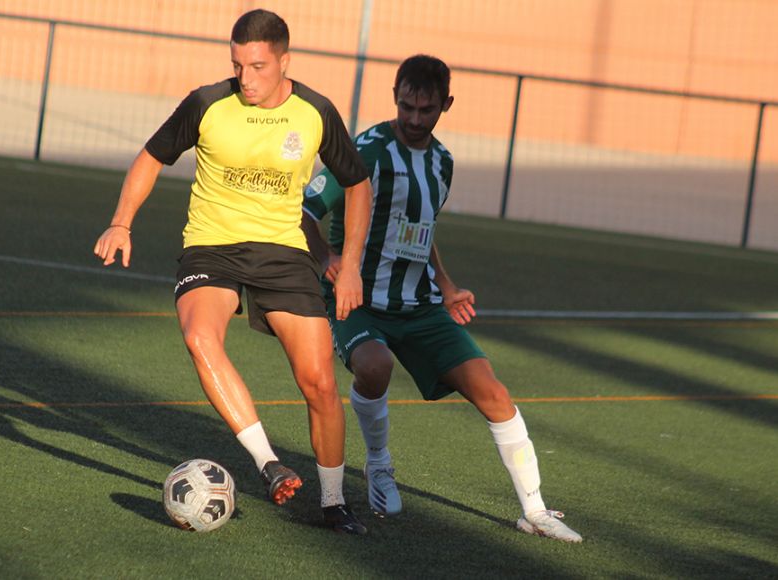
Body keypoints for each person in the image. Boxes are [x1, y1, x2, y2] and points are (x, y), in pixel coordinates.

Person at [93, 9, 372, 535]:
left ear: (284, 61)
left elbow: (357, 184)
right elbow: (152, 157)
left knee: (319, 383)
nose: (245, 78)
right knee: (200, 338)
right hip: (211, 246)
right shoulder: (207, 103)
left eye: (258, 66)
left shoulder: (315, 111)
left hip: (283, 252)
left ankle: (334, 503)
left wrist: (349, 263)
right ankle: (268, 463)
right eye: (238, 64)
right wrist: (121, 223)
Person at [301, 54, 582, 542]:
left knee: (493, 392)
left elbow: (421, 229)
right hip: (360, 300)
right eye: (406, 106)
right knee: (374, 365)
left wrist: (447, 285)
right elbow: (303, 210)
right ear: (395, 97)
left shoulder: (442, 162)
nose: (413, 118)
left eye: (425, 109)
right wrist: (330, 260)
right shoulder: (363, 151)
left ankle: (535, 511)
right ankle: (380, 463)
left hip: (422, 306)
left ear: (445, 105)